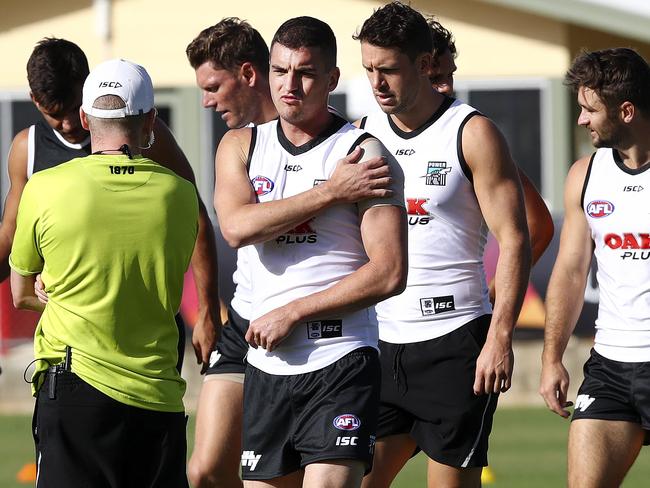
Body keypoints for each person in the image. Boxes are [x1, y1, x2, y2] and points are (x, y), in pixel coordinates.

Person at [186, 17, 397, 488]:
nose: (290, 85)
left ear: (332, 79)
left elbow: (389, 273)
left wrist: (294, 313)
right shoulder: (240, 146)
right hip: (266, 362)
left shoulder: (364, 153)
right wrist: (329, 193)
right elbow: (236, 228)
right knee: (203, 471)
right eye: (280, 71)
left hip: (341, 356)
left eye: (304, 73)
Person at [354, 3, 532, 487]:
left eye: (388, 69)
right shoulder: (362, 135)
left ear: (425, 64)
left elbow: (516, 239)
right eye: (369, 69)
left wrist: (499, 338)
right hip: (379, 342)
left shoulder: (473, 132)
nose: (377, 83)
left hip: (455, 343)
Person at [10, 58, 197, 487]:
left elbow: (21, 291)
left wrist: (54, 285)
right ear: (151, 119)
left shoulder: (46, 187)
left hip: (74, 389)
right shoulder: (180, 195)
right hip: (157, 395)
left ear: (83, 117)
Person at [0, 38, 220, 370]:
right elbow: (11, 237)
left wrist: (207, 310)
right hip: (74, 340)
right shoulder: (26, 148)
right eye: (54, 115)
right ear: (35, 101)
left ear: (88, 89)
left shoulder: (143, 134)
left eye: (74, 108)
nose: (69, 124)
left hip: (146, 335)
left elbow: (196, 213)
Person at [539, 48, 650, 488]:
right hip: (611, 368)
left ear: (626, 110)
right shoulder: (584, 175)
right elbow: (569, 271)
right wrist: (552, 359)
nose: (581, 120)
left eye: (589, 109)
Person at [426, 17, 554, 272]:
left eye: (450, 75)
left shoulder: (470, 134)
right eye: (435, 78)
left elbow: (538, 227)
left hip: (464, 309)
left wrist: (498, 295)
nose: (447, 87)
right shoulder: (367, 132)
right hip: (379, 312)